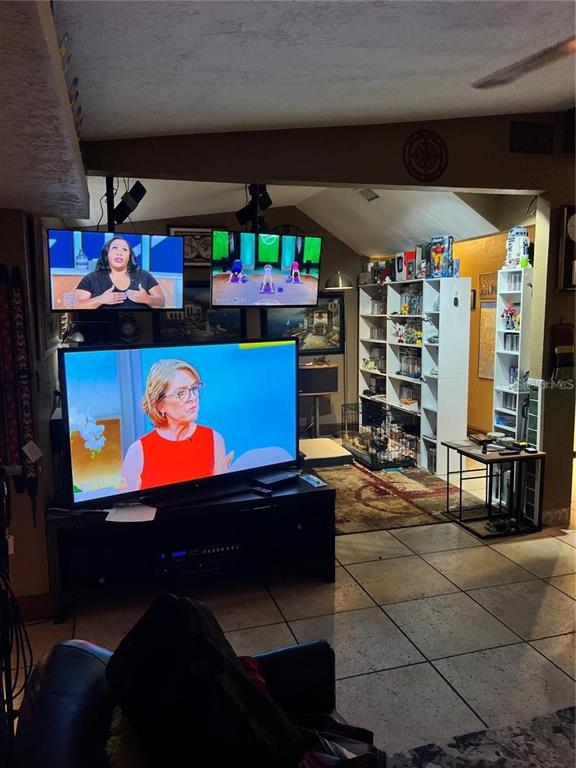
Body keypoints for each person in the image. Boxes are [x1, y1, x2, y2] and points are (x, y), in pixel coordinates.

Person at [120, 359, 232, 491]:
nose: (193, 398)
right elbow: (125, 504)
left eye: (194, 388)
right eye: (181, 393)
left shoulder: (213, 439)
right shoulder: (138, 451)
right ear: (160, 404)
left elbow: (222, 495)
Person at [73, 236, 166, 309]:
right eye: (114, 248)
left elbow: (161, 302)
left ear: (129, 256)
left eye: (124, 249)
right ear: (106, 253)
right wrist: (101, 299)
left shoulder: (143, 275)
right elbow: (74, 305)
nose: (119, 253)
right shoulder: (91, 278)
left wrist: (147, 299)